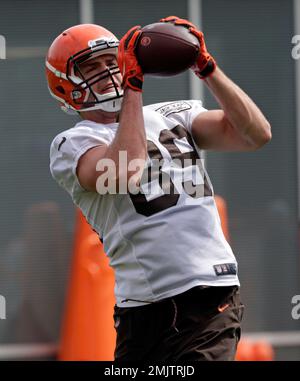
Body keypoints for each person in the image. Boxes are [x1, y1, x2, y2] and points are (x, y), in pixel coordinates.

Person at [46, 17, 271, 361]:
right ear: (66, 85)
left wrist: (208, 68)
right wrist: (134, 87)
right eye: (93, 67)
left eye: (112, 61)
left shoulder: (172, 114)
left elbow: (255, 134)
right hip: (141, 307)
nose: (108, 72)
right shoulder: (71, 144)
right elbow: (126, 169)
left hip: (208, 293)